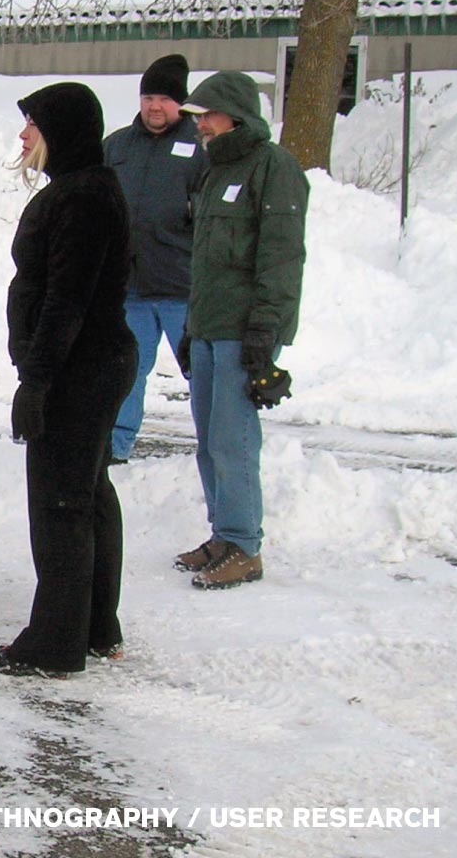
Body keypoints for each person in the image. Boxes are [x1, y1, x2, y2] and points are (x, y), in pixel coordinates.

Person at [0, 83, 137, 678]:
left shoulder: (83, 198)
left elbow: (66, 301)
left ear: (62, 132)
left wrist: (37, 381)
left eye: (33, 125)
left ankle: (55, 643)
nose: (23, 136)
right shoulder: (87, 189)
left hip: (80, 369)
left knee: (61, 505)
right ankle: (96, 627)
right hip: (93, 362)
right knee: (88, 495)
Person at [172, 71, 308, 590]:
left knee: (233, 440)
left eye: (207, 114)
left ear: (237, 116)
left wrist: (264, 330)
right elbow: (205, 260)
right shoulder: (213, 170)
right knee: (209, 440)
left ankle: (245, 546)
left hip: (243, 329)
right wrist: (191, 324)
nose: (200, 124)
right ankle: (223, 534)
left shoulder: (274, 168)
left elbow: (281, 257)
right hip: (209, 324)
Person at [105, 54, 209, 463]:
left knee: (202, 373)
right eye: (148, 97)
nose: (154, 107)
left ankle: (214, 447)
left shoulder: (201, 147)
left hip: (182, 286)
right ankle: (115, 445)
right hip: (130, 287)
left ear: (180, 104)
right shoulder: (116, 147)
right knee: (127, 372)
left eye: (165, 99)